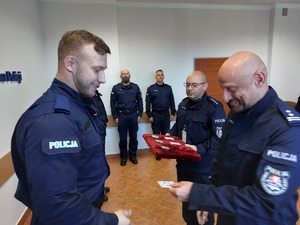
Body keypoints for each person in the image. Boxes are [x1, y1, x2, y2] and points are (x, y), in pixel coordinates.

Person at [11, 30, 132, 225]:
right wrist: (114, 221)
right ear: (70, 64)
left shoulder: (80, 104)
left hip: (84, 210)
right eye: (96, 69)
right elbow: (57, 207)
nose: (103, 79)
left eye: (104, 70)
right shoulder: (54, 120)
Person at [169, 51, 300, 225]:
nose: (225, 97)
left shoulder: (287, 129)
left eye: (232, 88)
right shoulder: (236, 114)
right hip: (229, 216)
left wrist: (199, 194)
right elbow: (220, 162)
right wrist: (207, 199)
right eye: (223, 88)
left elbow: (266, 202)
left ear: (259, 79)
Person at [167, 71, 226, 225]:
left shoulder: (214, 107)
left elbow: (218, 139)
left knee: (203, 215)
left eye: (194, 85)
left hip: (203, 169)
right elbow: (178, 128)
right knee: (188, 211)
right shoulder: (183, 104)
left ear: (205, 86)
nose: (190, 88)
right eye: (187, 85)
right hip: (184, 166)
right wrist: (168, 136)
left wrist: (197, 148)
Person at [110, 69, 143, 166]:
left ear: (130, 75)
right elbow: (112, 104)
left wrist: (140, 114)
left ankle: (133, 156)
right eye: (123, 74)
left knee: (133, 137)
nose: (125, 75)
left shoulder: (135, 87)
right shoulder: (116, 88)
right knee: (123, 139)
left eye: (127, 73)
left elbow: (140, 102)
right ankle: (123, 157)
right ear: (121, 76)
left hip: (133, 115)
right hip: (121, 116)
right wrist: (115, 117)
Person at [145, 69, 176, 135]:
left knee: (166, 135)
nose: (160, 76)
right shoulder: (151, 88)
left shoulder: (168, 88)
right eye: (158, 75)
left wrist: (173, 113)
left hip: (166, 115)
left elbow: (172, 101)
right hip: (155, 115)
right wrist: (149, 115)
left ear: (164, 76)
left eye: (162, 75)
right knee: (156, 136)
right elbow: (147, 103)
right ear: (155, 77)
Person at [93, 90, 110, 202]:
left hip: (101, 131)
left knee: (101, 162)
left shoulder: (95, 94)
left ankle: (101, 188)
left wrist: (105, 121)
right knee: (97, 164)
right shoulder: (86, 96)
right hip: (96, 134)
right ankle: (99, 193)